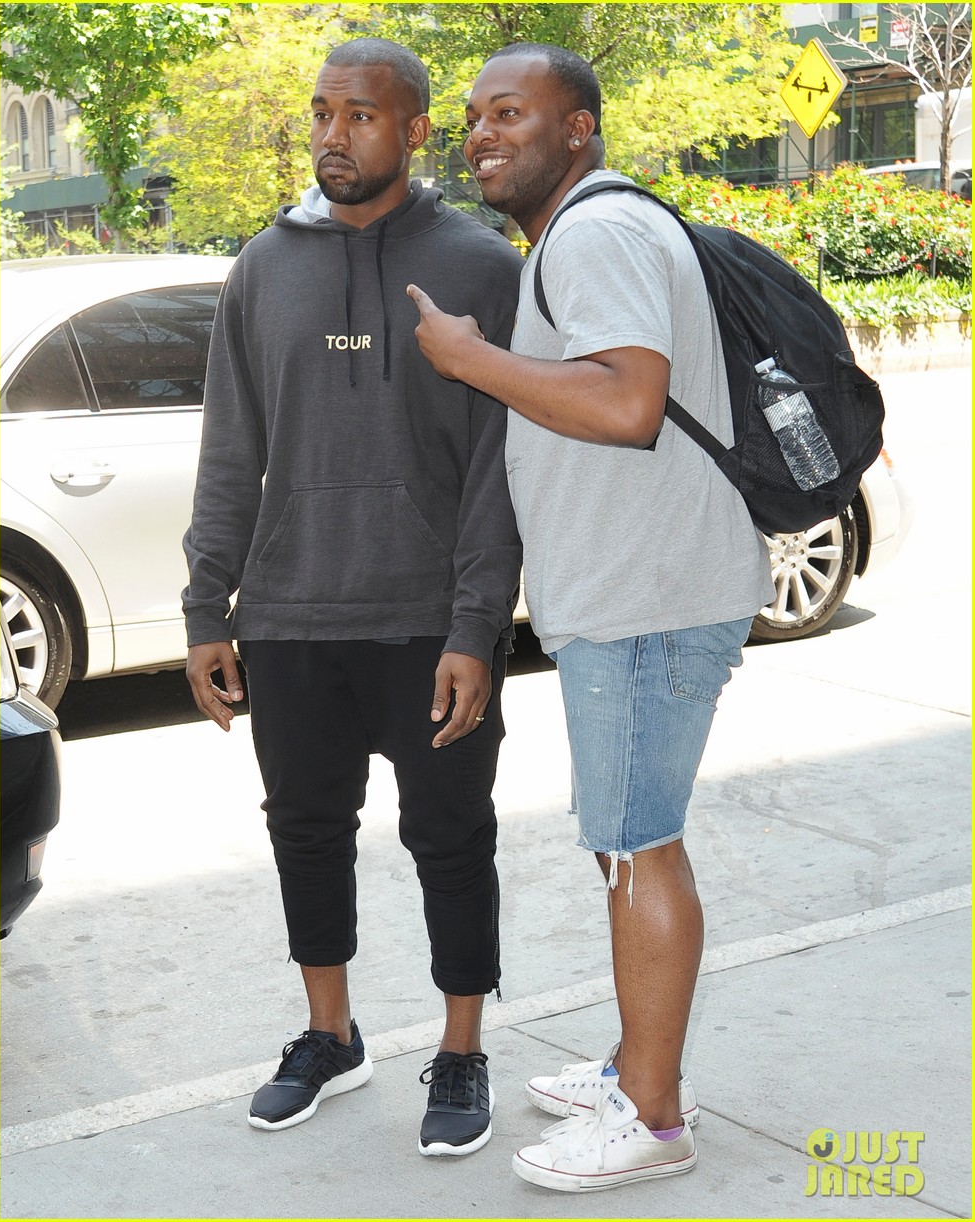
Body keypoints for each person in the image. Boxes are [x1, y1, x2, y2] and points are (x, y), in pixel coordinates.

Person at [407, 43, 774, 1192]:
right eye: (472, 117)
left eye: (510, 111)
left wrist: (469, 359)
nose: (481, 134)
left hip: (647, 600)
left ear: (579, 127)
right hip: (638, 592)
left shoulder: (597, 233)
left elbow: (626, 402)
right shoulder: (591, 230)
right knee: (631, 835)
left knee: (633, 844)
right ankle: (635, 1063)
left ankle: (652, 1117)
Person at [182, 37, 523, 1159]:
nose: (333, 134)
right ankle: (330, 1034)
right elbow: (231, 452)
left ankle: (462, 1047)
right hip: (289, 616)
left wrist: (477, 624)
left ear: (415, 129)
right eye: (322, 113)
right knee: (306, 834)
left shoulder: (480, 266)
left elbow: (498, 471)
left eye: (361, 116)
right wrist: (205, 609)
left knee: (449, 836)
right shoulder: (259, 268)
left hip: (429, 618)